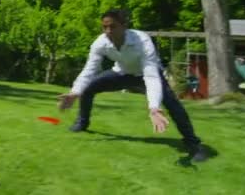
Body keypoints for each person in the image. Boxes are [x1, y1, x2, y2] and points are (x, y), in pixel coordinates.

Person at [57, 9, 208, 162]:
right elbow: (89, 69)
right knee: (88, 88)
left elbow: (150, 75)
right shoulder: (100, 43)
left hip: (146, 75)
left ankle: (194, 144)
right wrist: (75, 92)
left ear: (124, 26)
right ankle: (82, 123)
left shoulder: (142, 41)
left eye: (113, 26)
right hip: (121, 74)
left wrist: (154, 107)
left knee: (173, 104)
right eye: (105, 27)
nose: (108, 31)